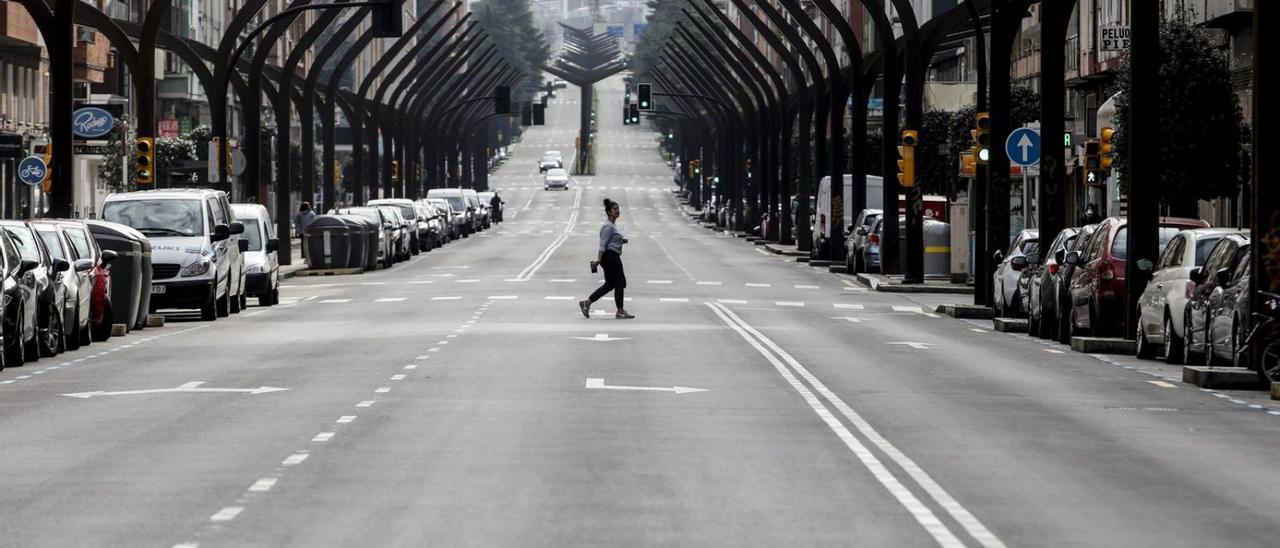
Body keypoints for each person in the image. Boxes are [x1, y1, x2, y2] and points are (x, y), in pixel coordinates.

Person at [580, 198, 633, 319]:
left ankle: (586, 303)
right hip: (611, 257)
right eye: (615, 209)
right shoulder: (608, 226)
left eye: (618, 208)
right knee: (620, 282)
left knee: (610, 284)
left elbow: (609, 242)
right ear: (609, 212)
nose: (618, 211)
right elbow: (603, 244)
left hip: (611, 256)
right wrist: (598, 260)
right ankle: (620, 311)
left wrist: (621, 240)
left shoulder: (612, 225)